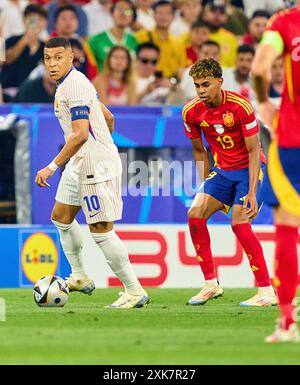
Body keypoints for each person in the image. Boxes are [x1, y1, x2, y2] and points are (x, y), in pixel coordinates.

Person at [35, 37, 149, 309]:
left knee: (100, 230)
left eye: (58, 57)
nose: (52, 64)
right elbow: (108, 118)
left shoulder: (73, 86)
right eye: (47, 58)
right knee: (61, 217)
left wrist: (52, 167)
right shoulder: (76, 82)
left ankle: (134, 290)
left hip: (93, 167)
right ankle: (79, 275)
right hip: (81, 163)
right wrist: (105, 145)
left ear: (71, 57)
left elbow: (81, 135)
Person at [182, 58, 277, 307]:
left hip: (250, 170)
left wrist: (253, 193)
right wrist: (205, 185)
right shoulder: (191, 111)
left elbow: (255, 150)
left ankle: (266, 291)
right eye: (197, 85)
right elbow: (199, 152)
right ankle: (211, 285)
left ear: (219, 82)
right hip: (222, 172)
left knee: (240, 223)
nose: (201, 90)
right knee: (195, 214)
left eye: (206, 84)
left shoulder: (239, 106)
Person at [251, 2, 300, 342]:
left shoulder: (284, 22)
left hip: (293, 139)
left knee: (286, 225)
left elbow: (258, 69)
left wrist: (264, 100)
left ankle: (286, 323)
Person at [0, 4, 48, 102]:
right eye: (32, 19)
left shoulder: (46, 47)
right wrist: (26, 38)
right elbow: (6, 59)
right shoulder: (11, 41)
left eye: (40, 19)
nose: (36, 23)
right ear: (24, 21)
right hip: (10, 94)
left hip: (36, 95)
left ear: (45, 23)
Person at [88, 0, 137, 72]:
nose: (123, 13)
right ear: (111, 13)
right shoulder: (95, 40)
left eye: (128, 11)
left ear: (133, 17)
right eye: (119, 9)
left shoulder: (134, 41)